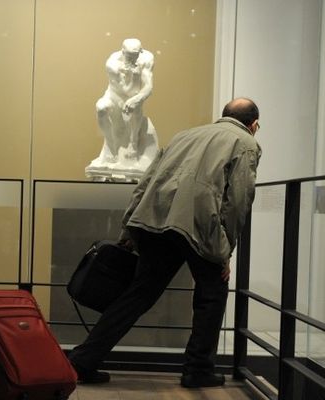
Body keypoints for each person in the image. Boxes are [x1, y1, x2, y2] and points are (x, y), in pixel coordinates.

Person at [70, 98, 262, 388]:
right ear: (254, 124)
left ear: (222, 116)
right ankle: (197, 369)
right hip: (196, 224)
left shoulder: (185, 135)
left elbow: (146, 182)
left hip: (154, 219)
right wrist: (225, 252)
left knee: (138, 294)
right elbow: (237, 202)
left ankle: (82, 361)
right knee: (212, 291)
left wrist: (128, 227)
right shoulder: (246, 143)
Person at [94, 38, 154, 164]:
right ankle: (111, 144)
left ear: (141, 52)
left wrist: (136, 99)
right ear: (123, 52)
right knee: (101, 108)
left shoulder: (147, 58)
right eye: (129, 56)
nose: (133, 59)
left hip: (135, 94)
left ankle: (134, 142)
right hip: (114, 95)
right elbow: (125, 89)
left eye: (135, 55)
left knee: (136, 108)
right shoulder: (113, 64)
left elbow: (148, 86)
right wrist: (135, 76)